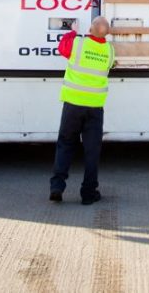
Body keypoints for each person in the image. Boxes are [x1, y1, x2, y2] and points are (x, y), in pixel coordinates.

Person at [49, 16, 114, 205]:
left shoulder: (77, 43)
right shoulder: (110, 51)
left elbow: (62, 47)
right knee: (92, 151)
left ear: (90, 30)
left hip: (72, 105)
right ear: (107, 33)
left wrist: (73, 31)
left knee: (66, 145)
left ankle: (57, 186)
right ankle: (88, 193)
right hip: (95, 108)